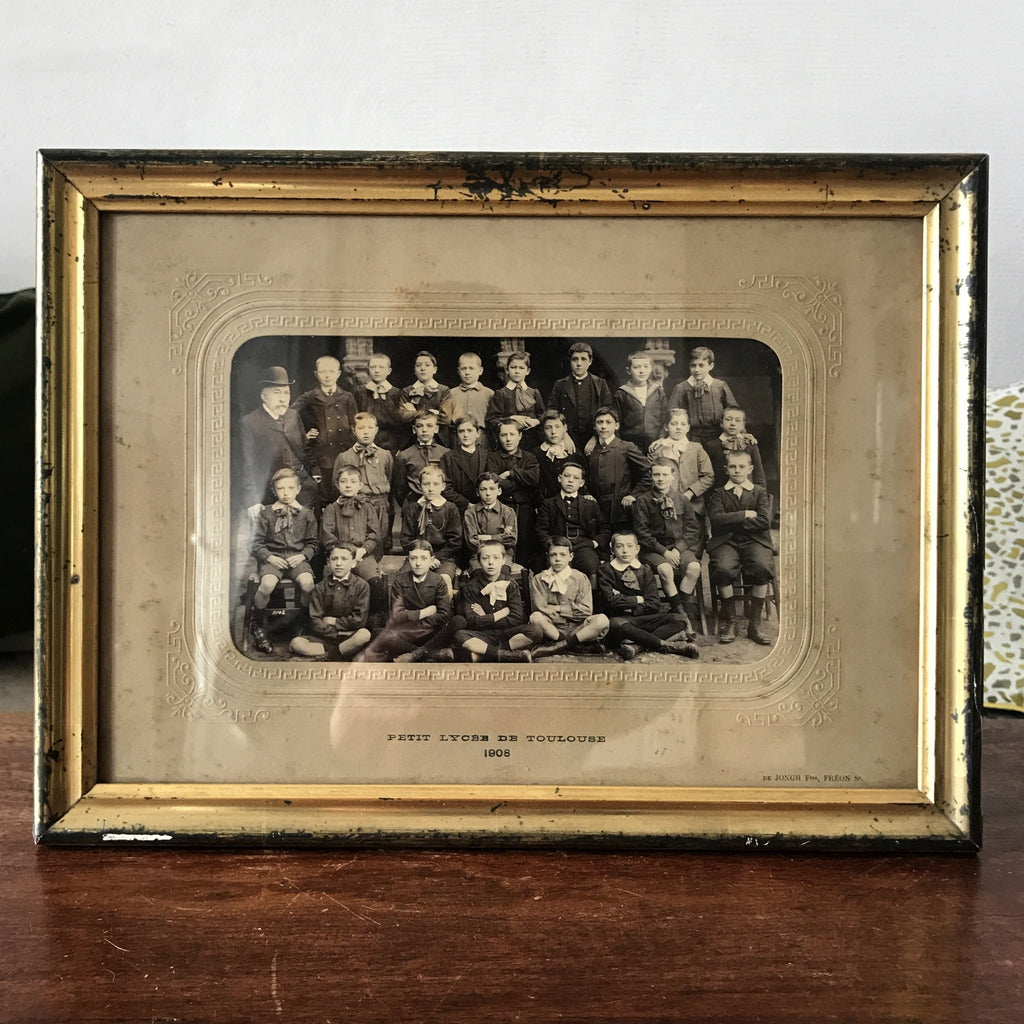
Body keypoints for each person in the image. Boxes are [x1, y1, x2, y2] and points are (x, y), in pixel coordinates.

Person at [707, 451, 774, 646]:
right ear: (726, 469)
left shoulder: (758, 492)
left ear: (750, 469)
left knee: (762, 566)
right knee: (723, 568)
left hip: (755, 540)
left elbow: (763, 522)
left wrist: (732, 521)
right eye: (733, 467)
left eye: (741, 467)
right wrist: (745, 514)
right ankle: (731, 621)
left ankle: (754, 624)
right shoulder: (719, 493)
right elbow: (716, 521)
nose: (737, 470)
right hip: (726, 542)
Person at [597, 532, 699, 660]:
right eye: (619, 546)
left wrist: (627, 604)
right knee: (615, 623)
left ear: (637, 549)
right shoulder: (606, 570)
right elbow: (611, 602)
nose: (625, 551)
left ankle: (638, 646)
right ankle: (669, 646)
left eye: (629, 546)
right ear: (612, 549)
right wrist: (639, 599)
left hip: (643, 619)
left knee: (679, 620)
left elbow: (654, 603)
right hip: (622, 621)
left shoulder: (645, 570)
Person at [248, 468, 318, 654]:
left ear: (298, 489)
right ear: (274, 491)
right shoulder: (267, 513)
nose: (286, 493)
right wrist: (269, 557)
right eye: (280, 489)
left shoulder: (306, 514)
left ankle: (302, 622)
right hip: (273, 559)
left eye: (290, 488)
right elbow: (255, 543)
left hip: (297, 558)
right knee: (268, 584)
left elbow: (313, 543)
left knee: (307, 583)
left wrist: (303, 556)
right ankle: (257, 624)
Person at [508, 537, 610, 659]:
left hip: (577, 628)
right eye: (553, 555)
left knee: (602, 620)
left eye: (562, 555)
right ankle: (571, 644)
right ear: (548, 556)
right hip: (552, 629)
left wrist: (559, 609)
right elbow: (541, 608)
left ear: (571, 556)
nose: (558, 559)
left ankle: (559, 646)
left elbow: (586, 611)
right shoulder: (540, 579)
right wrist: (572, 610)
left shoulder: (580, 578)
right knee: (535, 617)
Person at [631, 458, 703, 627]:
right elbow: (642, 533)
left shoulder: (682, 500)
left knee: (694, 568)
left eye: (665, 474)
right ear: (651, 476)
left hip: (679, 547)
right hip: (654, 549)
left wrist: (678, 550)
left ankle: (681, 608)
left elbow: (692, 530)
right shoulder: (643, 500)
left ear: (673, 476)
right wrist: (665, 552)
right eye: (656, 474)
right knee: (665, 569)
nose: (660, 478)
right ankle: (679, 610)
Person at [361, 540, 455, 663]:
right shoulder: (400, 581)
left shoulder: (438, 581)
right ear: (408, 559)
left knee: (457, 622)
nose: (418, 563)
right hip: (407, 632)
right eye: (413, 558)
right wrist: (424, 612)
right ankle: (429, 654)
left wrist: (416, 620)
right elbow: (396, 615)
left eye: (423, 558)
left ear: (431, 560)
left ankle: (412, 654)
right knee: (377, 633)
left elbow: (443, 615)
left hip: (431, 632)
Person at [239, 365, 317, 509]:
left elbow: (305, 448)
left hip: (303, 490)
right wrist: (253, 501)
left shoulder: (292, 416)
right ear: (264, 396)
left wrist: (314, 475)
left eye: (286, 393)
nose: (283, 399)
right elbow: (246, 467)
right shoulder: (250, 422)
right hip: (271, 494)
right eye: (277, 393)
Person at [290, 354, 358, 505]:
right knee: (323, 497)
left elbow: (355, 425)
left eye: (332, 371)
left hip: (343, 452)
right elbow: (290, 414)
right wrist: (303, 435)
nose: (327, 376)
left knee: (343, 494)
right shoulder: (310, 396)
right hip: (322, 454)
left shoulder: (347, 397)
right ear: (316, 374)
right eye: (323, 372)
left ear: (339, 374)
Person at [451, 540, 531, 662]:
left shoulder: (510, 584)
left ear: (503, 560)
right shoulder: (471, 587)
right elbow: (472, 621)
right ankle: (505, 655)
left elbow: (517, 618)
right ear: (479, 561)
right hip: (483, 634)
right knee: (459, 635)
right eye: (485, 558)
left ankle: (485, 652)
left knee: (535, 631)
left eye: (496, 558)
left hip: (507, 634)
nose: (491, 562)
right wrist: (498, 615)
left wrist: (485, 617)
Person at [289, 543, 372, 660]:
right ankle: (340, 653)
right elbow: (315, 619)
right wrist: (334, 633)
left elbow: (359, 620)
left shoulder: (362, 586)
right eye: (334, 559)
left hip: (349, 635)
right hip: (325, 638)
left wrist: (335, 621)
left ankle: (329, 656)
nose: (338, 563)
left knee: (364, 635)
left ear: (353, 563)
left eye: (344, 559)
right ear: (328, 563)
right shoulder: (319, 587)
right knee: (296, 643)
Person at [535, 460, 608, 584]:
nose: (570, 480)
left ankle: (590, 602)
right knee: (547, 569)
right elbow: (541, 530)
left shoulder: (590, 505)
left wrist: (594, 543)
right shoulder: (548, 504)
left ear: (581, 483)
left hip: (584, 547)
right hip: (558, 547)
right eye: (567, 476)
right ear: (559, 478)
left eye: (576, 478)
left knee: (592, 567)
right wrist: (551, 545)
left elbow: (604, 528)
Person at [584, 406, 651, 532]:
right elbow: (585, 476)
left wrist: (633, 495)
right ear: (594, 426)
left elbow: (648, 472)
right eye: (600, 422)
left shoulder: (626, 447)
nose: (603, 426)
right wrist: (587, 494)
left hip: (621, 510)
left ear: (617, 426)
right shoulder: (591, 450)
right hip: (596, 510)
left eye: (608, 422)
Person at [332, 412, 395, 546]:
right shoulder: (344, 457)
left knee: (378, 540)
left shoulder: (385, 455)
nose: (366, 432)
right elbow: (335, 484)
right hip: (356, 505)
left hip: (380, 505)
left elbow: (389, 478)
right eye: (361, 428)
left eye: (370, 428)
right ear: (354, 430)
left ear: (376, 430)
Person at [399, 464, 461, 596]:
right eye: (426, 484)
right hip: (416, 556)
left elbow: (455, 541)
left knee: (444, 581)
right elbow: (406, 540)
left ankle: (443, 614)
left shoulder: (450, 508)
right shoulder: (412, 508)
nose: (431, 488)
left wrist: (434, 558)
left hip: (442, 557)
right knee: (403, 581)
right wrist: (422, 558)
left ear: (443, 486)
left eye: (436, 484)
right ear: (420, 486)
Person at [486, 418, 541, 567]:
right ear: (498, 437)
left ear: (520, 436)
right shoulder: (493, 457)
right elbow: (496, 483)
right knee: (503, 545)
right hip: (502, 508)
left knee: (524, 547)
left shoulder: (529, 457)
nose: (508, 439)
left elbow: (534, 479)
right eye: (503, 435)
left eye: (512, 434)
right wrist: (522, 482)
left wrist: (511, 473)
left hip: (524, 510)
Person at [647, 408, 715, 522]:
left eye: (683, 424)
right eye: (673, 424)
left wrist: (690, 493)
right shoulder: (658, 450)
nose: (678, 427)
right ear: (666, 427)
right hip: (664, 505)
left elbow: (709, 476)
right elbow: (648, 476)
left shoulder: (696, 448)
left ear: (688, 428)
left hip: (694, 506)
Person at [547, 341, 613, 453]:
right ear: (570, 361)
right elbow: (551, 411)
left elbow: (608, 412)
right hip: (568, 438)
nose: (579, 363)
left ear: (590, 361)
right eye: (575, 359)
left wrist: (596, 437)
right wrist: (564, 434)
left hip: (594, 437)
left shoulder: (600, 383)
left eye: (583, 359)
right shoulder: (560, 384)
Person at [319, 465, 381, 581]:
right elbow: (327, 536)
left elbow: (374, 534)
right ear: (337, 485)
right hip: (339, 556)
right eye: (343, 481)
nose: (348, 485)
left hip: (362, 555)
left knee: (374, 581)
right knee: (334, 583)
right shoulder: (331, 509)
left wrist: (363, 550)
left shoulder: (368, 508)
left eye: (353, 482)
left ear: (360, 485)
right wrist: (342, 553)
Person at [668, 345, 739, 446]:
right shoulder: (681, 388)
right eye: (693, 365)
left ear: (711, 366)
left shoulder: (720, 386)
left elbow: (734, 412)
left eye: (701, 365)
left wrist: (741, 433)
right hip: (691, 438)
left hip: (718, 437)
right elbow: (672, 415)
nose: (697, 370)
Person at [353, 352, 415, 453]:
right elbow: (355, 418)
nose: (377, 370)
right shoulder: (360, 392)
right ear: (368, 369)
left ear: (389, 371)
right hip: (366, 442)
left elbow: (403, 423)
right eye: (373, 367)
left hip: (392, 445)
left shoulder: (396, 393)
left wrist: (400, 447)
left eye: (381, 367)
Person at [486, 350, 545, 449]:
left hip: (532, 442)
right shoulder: (501, 394)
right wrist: (512, 418)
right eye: (513, 367)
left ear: (528, 371)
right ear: (507, 369)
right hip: (509, 443)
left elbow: (543, 416)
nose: (517, 371)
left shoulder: (534, 393)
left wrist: (537, 422)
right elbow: (491, 420)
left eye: (521, 368)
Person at [613, 351, 668, 452]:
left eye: (646, 366)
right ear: (628, 370)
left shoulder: (658, 391)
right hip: (629, 445)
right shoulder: (622, 393)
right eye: (637, 367)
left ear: (651, 368)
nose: (642, 371)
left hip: (655, 444)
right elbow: (616, 422)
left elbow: (664, 417)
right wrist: (621, 444)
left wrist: (661, 438)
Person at [393, 409, 450, 508]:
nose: (424, 430)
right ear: (414, 430)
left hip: (440, 505)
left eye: (429, 425)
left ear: (436, 429)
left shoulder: (446, 453)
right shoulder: (404, 455)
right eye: (420, 426)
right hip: (414, 504)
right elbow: (399, 488)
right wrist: (410, 505)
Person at [463, 472, 518, 569]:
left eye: (492, 489)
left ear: (499, 491)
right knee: (478, 574)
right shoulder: (470, 513)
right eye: (483, 489)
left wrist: (485, 537)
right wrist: (500, 537)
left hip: (503, 555)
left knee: (503, 574)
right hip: (478, 555)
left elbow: (511, 540)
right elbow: (472, 542)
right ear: (477, 492)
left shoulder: (508, 512)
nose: (488, 493)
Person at [399, 350, 453, 448]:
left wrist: (414, 412)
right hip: (412, 441)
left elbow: (446, 418)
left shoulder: (444, 390)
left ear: (434, 369)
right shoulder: (407, 391)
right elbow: (403, 417)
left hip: (439, 441)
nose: (422, 368)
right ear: (415, 370)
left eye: (427, 365)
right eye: (419, 365)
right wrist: (433, 412)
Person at [705, 406, 766, 490]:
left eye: (737, 420)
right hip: (720, 495)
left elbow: (759, 475)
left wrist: (760, 496)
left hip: (747, 494)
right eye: (728, 419)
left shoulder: (750, 444)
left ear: (742, 425)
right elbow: (708, 476)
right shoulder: (711, 446)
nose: (733, 423)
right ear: (721, 423)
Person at [439, 416, 490, 513]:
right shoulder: (448, 458)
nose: (465, 435)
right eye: (461, 431)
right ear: (457, 434)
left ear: (478, 433)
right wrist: (466, 504)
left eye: (469, 431)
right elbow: (445, 487)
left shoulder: (486, 456)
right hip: (458, 509)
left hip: (483, 508)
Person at [445, 351, 494, 450]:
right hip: (458, 438)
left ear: (480, 370)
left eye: (471, 368)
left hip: (481, 438)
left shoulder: (489, 393)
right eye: (463, 368)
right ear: (459, 371)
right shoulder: (451, 393)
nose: (467, 372)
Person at [536, 409, 578, 498]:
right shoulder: (537, 454)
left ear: (565, 428)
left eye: (557, 427)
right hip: (546, 502)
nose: (553, 432)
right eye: (548, 428)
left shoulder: (573, 452)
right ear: (543, 430)